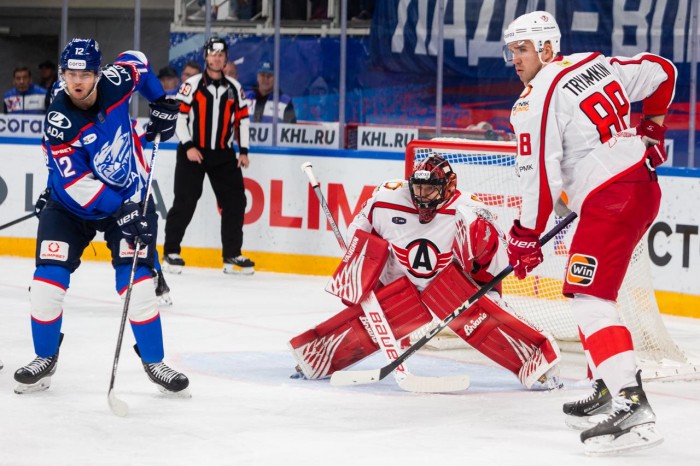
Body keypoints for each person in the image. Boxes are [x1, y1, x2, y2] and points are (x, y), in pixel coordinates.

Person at [502, 11, 675, 454]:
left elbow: (539, 178)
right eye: (512, 50)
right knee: (591, 292)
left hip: (612, 200)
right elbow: (662, 70)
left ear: (545, 48)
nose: (515, 59)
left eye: (522, 49)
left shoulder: (532, 101)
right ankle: (603, 383)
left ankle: (631, 404)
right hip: (637, 185)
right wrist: (652, 125)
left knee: (588, 297)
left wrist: (524, 234)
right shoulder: (593, 63)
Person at [289, 154, 562, 390]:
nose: (421, 196)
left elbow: (498, 262)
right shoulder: (385, 198)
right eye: (417, 188)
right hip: (399, 278)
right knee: (373, 321)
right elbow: (359, 234)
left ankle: (539, 363)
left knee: (480, 318)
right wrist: (358, 269)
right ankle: (316, 355)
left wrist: (484, 269)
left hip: (451, 285)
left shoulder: (470, 209)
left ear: (448, 186)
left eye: (430, 190)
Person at [13, 38, 189, 396]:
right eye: (70, 73)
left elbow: (138, 60)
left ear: (98, 74)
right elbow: (76, 182)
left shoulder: (117, 81)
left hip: (126, 195)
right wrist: (121, 210)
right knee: (46, 286)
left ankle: (155, 361)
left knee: (138, 287)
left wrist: (160, 100)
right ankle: (45, 358)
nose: (76, 81)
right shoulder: (60, 117)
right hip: (69, 206)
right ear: (62, 75)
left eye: (85, 73)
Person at [163, 36, 254, 275]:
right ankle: (171, 252)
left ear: (225, 59)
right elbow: (180, 119)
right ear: (206, 57)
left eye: (221, 55)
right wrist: (189, 145)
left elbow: (243, 121)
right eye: (213, 54)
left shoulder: (235, 88)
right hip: (193, 151)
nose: (216, 58)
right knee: (185, 200)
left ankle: (232, 255)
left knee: (236, 202)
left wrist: (243, 151)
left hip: (224, 153)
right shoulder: (191, 85)